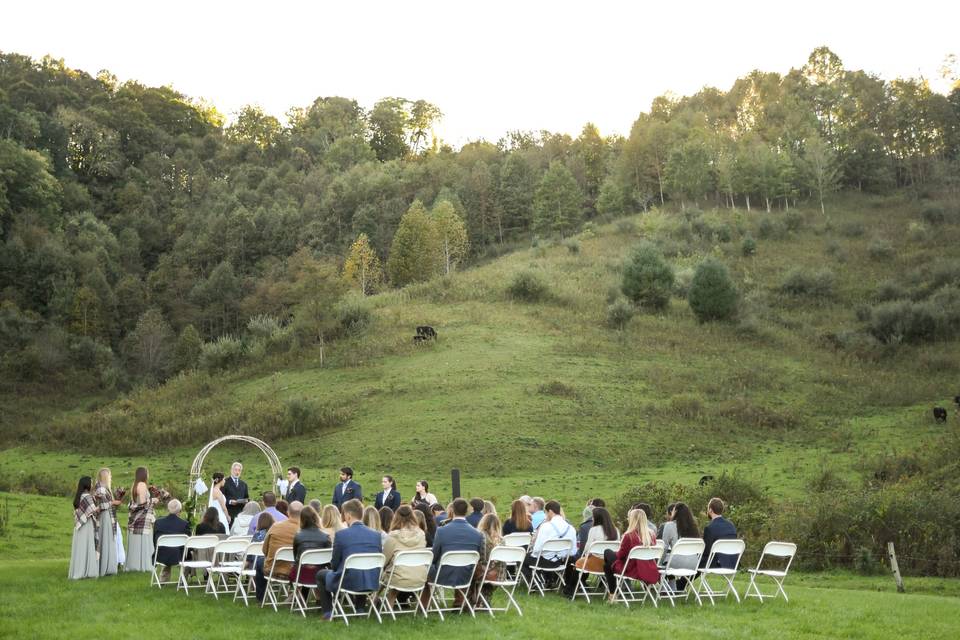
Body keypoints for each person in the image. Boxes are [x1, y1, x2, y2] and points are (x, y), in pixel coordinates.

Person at [316, 499, 382, 621]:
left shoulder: (342, 535)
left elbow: (335, 563)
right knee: (362, 569)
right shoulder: (376, 535)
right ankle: (360, 609)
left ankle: (328, 612)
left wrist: (335, 569)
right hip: (371, 580)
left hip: (348, 581)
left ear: (348, 515)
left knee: (321, 574)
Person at [423, 498, 484, 607]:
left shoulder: (442, 531)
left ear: (452, 510)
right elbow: (479, 557)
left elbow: (434, 556)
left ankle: (424, 605)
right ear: (467, 511)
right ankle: (461, 601)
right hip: (467, 575)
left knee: (426, 566)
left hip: (444, 575)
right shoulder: (477, 534)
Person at [602, 508, 659, 603]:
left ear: (633, 520)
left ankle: (612, 595)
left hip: (631, 568)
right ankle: (612, 595)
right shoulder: (651, 535)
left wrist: (615, 553)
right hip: (648, 568)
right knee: (607, 566)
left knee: (607, 553)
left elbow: (620, 555)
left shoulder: (629, 536)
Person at [255, 501, 303, 603]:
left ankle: (261, 598)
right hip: (297, 572)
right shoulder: (304, 530)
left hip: (274, 569)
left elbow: (264, 550)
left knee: (259, 561)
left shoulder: (275, 527)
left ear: (288, 512)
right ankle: (297, 595)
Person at [564, 506, 618, 596]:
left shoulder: (594, 530)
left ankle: (570, 589)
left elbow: (588, 548)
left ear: (596, 518)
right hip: (610, 564)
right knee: (579, 563)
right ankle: (572, 588)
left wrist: (583, 556)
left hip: (596, 562)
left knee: (577, 563)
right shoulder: (615, 530)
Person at [381, 505, 427, 607]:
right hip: (420, 577)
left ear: (396, 517)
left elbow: (384, 560)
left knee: (384, 574)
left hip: (399, 578)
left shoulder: (393, 536)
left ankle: (375, 601)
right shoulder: (421, 534)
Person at [521, 500, 576, 584]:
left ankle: (534, 583)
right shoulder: (570, 528)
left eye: (546, 513)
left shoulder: (546, 526)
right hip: (560, 562)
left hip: (545, 561)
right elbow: (573, 551)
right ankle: (547, 580)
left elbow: (537, 550)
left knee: (521, 557)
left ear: (550, 512)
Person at [291, 506, 332, 595]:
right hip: (320, 574)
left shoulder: (298, 536)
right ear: (316, 518)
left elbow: (295, 557)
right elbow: (329, 560)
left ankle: (300, 598)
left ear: (301, 519)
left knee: (300, 567)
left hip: (302, 574)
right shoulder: (325, 537)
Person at [125, 466, 157, 572]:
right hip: (143, 519)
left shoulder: (134, 485)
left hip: (136, 518)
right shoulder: (142, 484)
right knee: (144, 540)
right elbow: (142, 503)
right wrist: (153, 500)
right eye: (147, 473)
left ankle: (135, 564)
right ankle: (144, 565)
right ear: (144, 474)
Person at [471, 512, 505, 605]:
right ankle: (483, 600)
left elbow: (482, 558)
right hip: (500, 575)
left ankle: (474, 600)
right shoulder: (502, 540)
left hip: (484, 573)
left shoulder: (480, 536)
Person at [153, 499, 191, 582]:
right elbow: (188, 543)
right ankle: (183, 580)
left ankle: (163, 579)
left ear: (168, 509)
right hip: (179, 556)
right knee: (188, 553)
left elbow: (155, 541)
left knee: (169, 550)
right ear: (180, 511)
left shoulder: (158, 522)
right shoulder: (184, 524)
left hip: (160, 555)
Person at [69, 476, 99, 580]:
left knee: (80, 548)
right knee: (87, 546)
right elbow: (94, 510)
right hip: (86, 524)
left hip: (79, 525)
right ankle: (87, 571)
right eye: (91, 482)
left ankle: (79, 570)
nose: (92, 484)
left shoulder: (79, 496)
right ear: (87, 484)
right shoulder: (87, 496)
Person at [93, 467, 121, 576]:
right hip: (105, 516)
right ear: (105, 476)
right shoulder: (100, 488)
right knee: (106, 539)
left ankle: (107, 566)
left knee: (107, 539)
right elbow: (102, 505)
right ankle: (105, 567)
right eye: (110, 475)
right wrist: (113, 502)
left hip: (108, 516)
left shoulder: (104, 488)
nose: (111, 477)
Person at [701, 497, 738, 569]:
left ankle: (682, 580)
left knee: (696, 561)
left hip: (717, 564)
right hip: (732, 563)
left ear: (710, 510)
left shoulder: (709, 528)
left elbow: (706, 552)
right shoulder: (731, 525)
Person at [660, 502, 700, 568]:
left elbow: (664, 547)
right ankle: (676, 579)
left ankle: (670, 578)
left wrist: (659, 563)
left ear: (675, 511)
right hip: (694, 563)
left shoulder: (669, 525)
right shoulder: (694, 527)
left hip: (676, 563)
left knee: (665, 560)